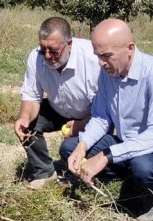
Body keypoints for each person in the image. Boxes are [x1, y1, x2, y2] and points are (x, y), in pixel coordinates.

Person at [63, 18, 153, 221]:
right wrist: (83, 146)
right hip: (127, 144)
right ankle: (132, 180)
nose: (101, 63)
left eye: (107, 56)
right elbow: (102, 118)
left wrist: (106, 156)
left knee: (143, 167)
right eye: (97, 56)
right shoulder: (107, 73)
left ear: (130, 48)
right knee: (69, 148)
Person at [14, 17, 102, 188]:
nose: (47, 56)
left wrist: (84, 124)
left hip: (94, 116)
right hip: (59, 108)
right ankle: (44, 172)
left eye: (54, 51)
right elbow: (31, 97)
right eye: (43, 49)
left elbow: (110, 107)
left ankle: (93, 172)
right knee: (29, 123)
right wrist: (24, 117)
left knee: (72, 146)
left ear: (69, 43)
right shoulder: (36, 58)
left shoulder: (93, 59)